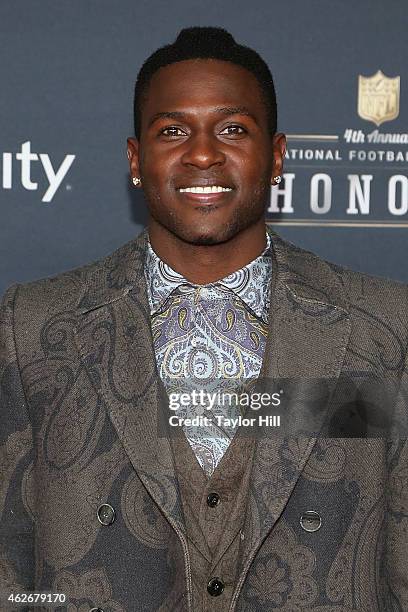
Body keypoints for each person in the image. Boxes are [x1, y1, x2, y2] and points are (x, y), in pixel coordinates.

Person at [1, 26, 408, 612]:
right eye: (173, 130)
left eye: (233, 129)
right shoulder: (35, 328)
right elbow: (9, 562)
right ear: (135, 160)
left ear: (277, 156)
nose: (202, 152)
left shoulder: (384, 331)